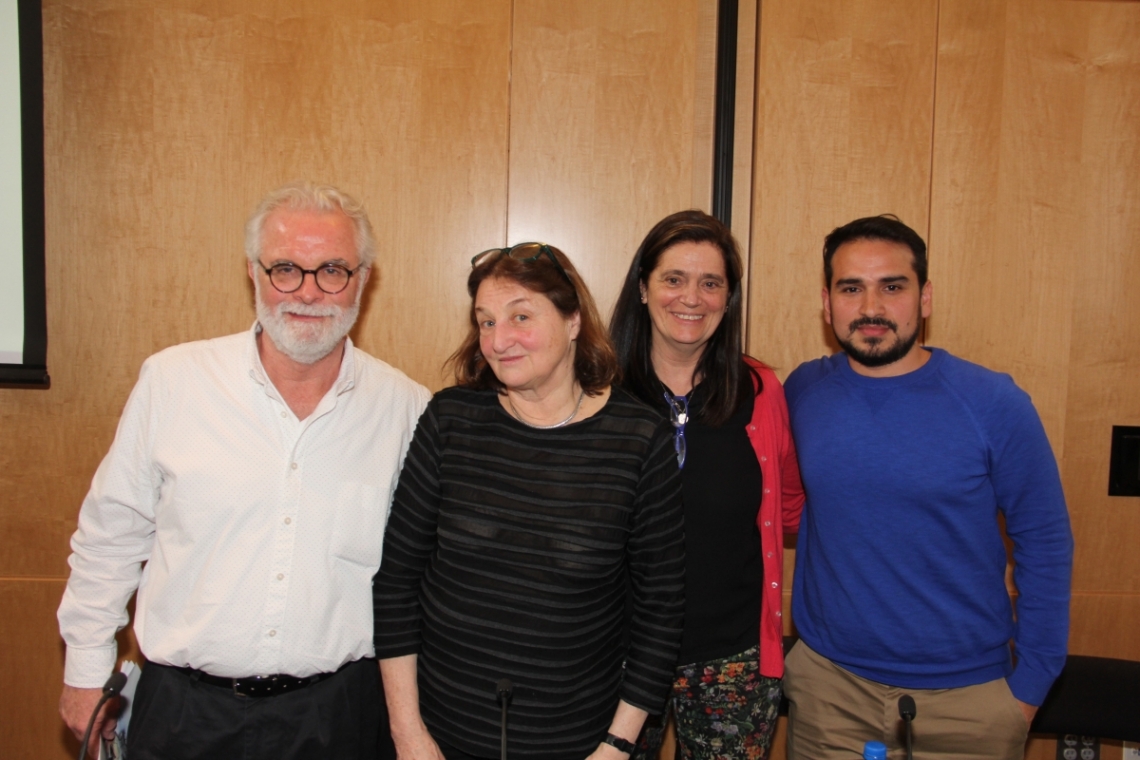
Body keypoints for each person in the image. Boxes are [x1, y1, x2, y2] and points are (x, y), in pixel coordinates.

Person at [57, 182, 431, 760]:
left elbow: (421, 578)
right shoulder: (174, 382)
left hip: (341, 719)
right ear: (253, 273)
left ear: (363, 278)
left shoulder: (406, 409)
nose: (308, 292)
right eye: (286, 268)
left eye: (332, 269)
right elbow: (110, 538)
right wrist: (86, 670)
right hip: (183, 717)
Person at [372, 242, 685, 760]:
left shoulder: (639, 438)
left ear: (573, 321)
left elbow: (661, 610)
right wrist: (408, 735)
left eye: (521, 316)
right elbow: (396, 584)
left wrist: (615, 745)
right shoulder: (449, 420)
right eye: (486, 322)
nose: (499, 340)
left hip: (578, 741)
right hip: (441, 736)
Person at [782, 215, 1074, 759]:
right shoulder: (803, 391)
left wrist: (1030, 687)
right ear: (827, 303)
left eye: (892, 286)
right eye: (852, 288)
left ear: (925, 297)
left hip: (968, 703)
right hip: (830, 696)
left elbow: (1046, 542)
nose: (872, 308)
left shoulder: (994, 403)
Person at [609, 210, 805, 759]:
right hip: (610, 656)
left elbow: (791, 509)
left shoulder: (761, 389)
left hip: (733, 663)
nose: (691, 297)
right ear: (643, 288)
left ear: (728, 296)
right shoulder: (596, 391)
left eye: (710, 282)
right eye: (673, 279)